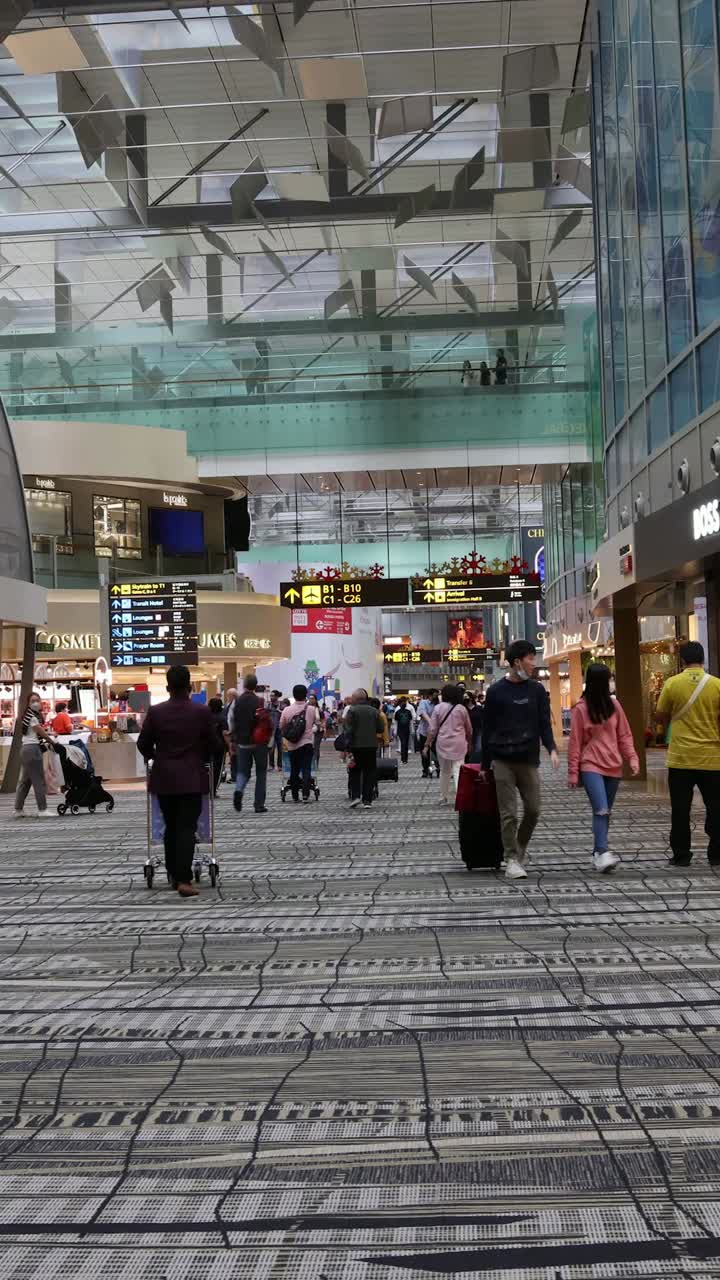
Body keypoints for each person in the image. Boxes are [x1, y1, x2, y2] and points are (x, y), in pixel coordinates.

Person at [482, 640, 559, 880]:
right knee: (509, 814)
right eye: (530, 659)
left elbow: (544, 723)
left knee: (534, 810)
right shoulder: (495, 691)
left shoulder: (536, 690)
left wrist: (552, 748)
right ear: (517, 662)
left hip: (528, 759)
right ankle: (512, 859)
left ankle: (519, 846)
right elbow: (487, 729)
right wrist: (485, 764)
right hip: (502, 760)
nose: (533, 664)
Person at [137, 665, 215, 898]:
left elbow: (143, 744)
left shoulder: (156, 712)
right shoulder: (201, 712)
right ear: (190, 686)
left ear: (168, 687)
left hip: (164, 778)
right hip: (192, 777)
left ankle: (174, 873)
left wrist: (157, 758)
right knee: (187, 828)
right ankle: (183, 879)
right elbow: (212, 745)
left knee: (171, 826)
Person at [568, 663, 639, 873]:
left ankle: (598, 853)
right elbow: (575, 742)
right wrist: (573, 772)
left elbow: (624, 735)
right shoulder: (580, 709)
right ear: (599, 682)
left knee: (605, 812)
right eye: (608, 679)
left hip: (613, 765)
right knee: (601, 808)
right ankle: (602, 850)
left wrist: (632, 758)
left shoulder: (614, 706)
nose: (610, 683)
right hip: (590, 765)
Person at [655, 640, 720, 867]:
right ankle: (716, 853)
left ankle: (682, 855)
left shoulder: (672, 684)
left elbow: (660, 714)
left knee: (680, 809)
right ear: (702, 659)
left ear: (682, 660)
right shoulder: (716, 685)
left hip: (681, 757)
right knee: (716, 806)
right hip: (712, 757)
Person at [227, 674, 268, 814]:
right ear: (255, 686)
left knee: (243, 771)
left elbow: (231, 721)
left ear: (244, 685)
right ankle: (259, 804)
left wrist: (233, 737)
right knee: (261, 772)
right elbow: (267, 721)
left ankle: (239, 790)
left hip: (243, 742)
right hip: (260, 742)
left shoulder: (236, 702)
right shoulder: (261, 701)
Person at [425, 684, 472, 803]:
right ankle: (461, 798)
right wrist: (469, 741)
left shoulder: (438, 708)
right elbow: (469, 729)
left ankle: (443, 796)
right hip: (459, 743)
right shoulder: (462, 709)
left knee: (444, 771)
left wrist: (427, 744)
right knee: (459, 769)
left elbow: (432, 729)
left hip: (443, 743)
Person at [14, 692, 53, 818]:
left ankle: (18, 809)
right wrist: (52, 741)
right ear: (28, 703)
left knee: (25, 781)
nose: (36, 703)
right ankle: (43, 809)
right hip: (33, 749)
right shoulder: (33, 717)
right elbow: (40, 732)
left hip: (25, 749)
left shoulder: (26, 715)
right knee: (38, 780)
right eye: (33, 701)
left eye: (37, 700)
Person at [280, 684, 317, 803]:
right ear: (305, 694)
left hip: (292, 744)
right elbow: (315, 724)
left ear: (294, 695)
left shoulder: (287, 710)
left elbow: (281, 726)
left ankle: (295, 795)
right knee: (306, 769)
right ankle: (305, 795)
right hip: (307, 743)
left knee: (294, 769)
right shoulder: (311, 709)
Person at [346, 689, 383, 808]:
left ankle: (356, 796)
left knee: (355, 771)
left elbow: (348, 730)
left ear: (357, 699)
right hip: (371, 746)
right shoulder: (374, 711)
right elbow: (380, 728)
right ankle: (368, 800)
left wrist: (347, 746)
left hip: (356, 746)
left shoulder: (352, 711)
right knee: (370, 771)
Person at [207, 695, 226, 795]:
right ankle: (213, 790)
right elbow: (225, 733)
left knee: (206, 767)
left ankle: (205, 788)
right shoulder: (222, 718)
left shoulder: (205, 717)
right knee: (217, 769)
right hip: (219, 746)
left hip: (206, 746)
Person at [223, 686, 238, 782]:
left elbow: (232, 720)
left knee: (234, 756)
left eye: (228, 695)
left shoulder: (235, 705)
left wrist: (230, 731)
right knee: (234, 756)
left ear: (232, 695)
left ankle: (235, 776)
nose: (227, 697)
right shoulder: (230, 704)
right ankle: (235, 775)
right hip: (231, 733)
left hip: (234, 734)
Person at [394, 695, 415, 763]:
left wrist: (395, 731)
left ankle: (404, 759)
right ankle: (405, 758)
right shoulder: (408, 711)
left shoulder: (397, 710)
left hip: (400, 730)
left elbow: (395, 722)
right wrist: (412, 730)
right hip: (406, 730)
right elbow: (411, 721)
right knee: (405, 744)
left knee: (403, 743)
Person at [309, 693, 325, 772]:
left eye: (312, 698)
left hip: (318, 731)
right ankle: (311, 764)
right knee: (310, 747)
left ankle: (315, 764)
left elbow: (323, 720)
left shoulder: (319, 710)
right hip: (309, 730)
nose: (311, 700)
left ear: (315, 700)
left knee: (316, 747)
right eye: (310, 698)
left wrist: (322, 727)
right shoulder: (306, 709)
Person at [268, 691, 283, 771]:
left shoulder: (282, 705)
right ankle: (271, 765)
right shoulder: (268, 706)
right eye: (270, 695)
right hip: (271, 730)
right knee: (271, 747)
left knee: (280, 748)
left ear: (277, 697)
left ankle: (280, 765)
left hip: (280, 730)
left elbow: (285, 714)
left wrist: (279, 711)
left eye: (273, 696)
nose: (271, 697)